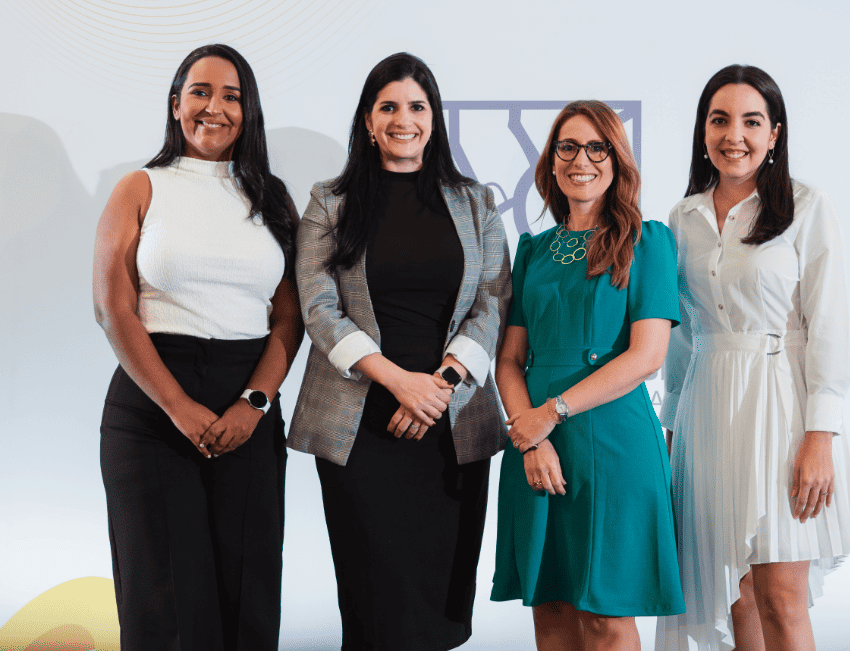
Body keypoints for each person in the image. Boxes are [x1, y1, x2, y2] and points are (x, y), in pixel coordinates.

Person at [286, 52, 511, 651]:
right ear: (367, 120)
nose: (403, 118)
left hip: (452, 420)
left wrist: (437, 385)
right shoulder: (329, 202)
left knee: (440, 602)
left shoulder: (477, 203)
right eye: (388, 106)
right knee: (376, 605)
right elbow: (318, 306)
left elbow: (493, 298)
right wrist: (399, 383)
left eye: (417, 106)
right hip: (362, 426)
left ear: (434, 118)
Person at [655, 65, 850, 651]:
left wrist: (820, 436)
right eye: (720, 120)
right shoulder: (683, 218)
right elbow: (681, 335)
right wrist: (671, 430)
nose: (735, 135)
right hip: (707, 417)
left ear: (775, 133)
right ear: (703, 132)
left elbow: (829, 325)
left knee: (780, 595)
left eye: (752, 121)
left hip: (781, 412)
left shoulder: (807, 206)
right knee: (734, 595)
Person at [94, 44, 303, 650]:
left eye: (232, 96)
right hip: (153, 401)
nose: (215, 107)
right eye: (201, 92)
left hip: (249, 397)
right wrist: (179, 407)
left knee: (248, 591)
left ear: (249, 110)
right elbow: (115, 308)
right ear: (176, 103)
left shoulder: (273, 197)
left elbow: (290, 318)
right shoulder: (140, 187)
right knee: (163, 597)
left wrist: (255, 402)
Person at [490, 100, 686, 651]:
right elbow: (508, 359)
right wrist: (530, 437)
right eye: (568, 147)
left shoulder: (647, 241)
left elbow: (646, 356)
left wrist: (551, 414)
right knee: (550, 604)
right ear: (550, 162)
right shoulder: (533, 250)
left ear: (617, 160)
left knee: (604, 615)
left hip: (615, 440)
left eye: (597, 147)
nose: (582, 159)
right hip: (536, 441)